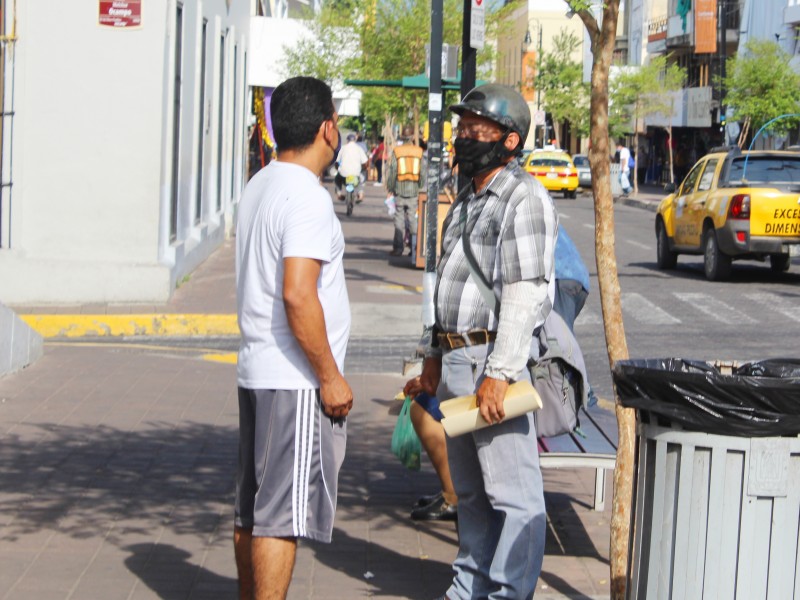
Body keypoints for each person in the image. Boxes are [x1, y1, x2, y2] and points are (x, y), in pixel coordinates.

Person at [409, 83, 557, 599]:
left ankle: (507, 593)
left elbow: (524, 294)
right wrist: (432, 356)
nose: (463, 137)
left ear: (510, 141)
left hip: (491, 363)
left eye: (477, 130)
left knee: (514, 497)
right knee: (471, 494)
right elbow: (448, 282)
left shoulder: (524, 198)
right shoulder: (468, 200)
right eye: (462, 128)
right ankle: (466, 589)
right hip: (456, 359)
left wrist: (500, 372)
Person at [233, 76, 353, 600]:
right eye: (338, 121)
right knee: (280, 517)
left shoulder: (261, 183)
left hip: (259, 371)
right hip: (296, 381)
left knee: (254, 509)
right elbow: (299, 295)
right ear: (327, 128)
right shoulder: (307, 197)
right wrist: (330, 377)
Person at [385, 138, 426, 256]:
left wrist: (391, 187)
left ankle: (398, 248)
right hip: (413, 191)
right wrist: (420, 185)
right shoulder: (419, 152)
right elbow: (422, 172)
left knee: (399, 218)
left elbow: (392, 171)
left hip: (399, 189)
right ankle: (415, 249)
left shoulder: (397, 152)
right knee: (413, 219)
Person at [335, 133, 369, 202]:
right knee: (360, 181)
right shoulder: (359, 149)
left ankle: (339, 193)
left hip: (343, 173)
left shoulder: (343, 148)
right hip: (355, 173)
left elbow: (337, 161)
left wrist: (337, 168)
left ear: (347, 140)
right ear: (355, 140)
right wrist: (364, 168)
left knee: (337, 180)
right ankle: (360, 195)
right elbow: (365, 162)